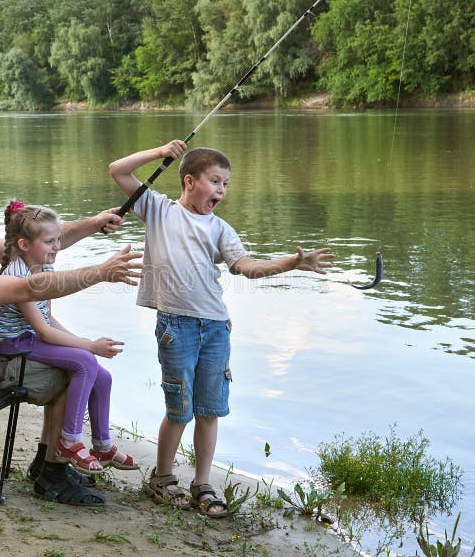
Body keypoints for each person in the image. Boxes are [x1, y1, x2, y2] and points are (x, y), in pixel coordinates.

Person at [109, 141, 335, 517]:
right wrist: (160, 151)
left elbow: (246, 267)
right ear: (189, 181)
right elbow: (118, 169)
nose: (222, 191)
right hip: (176, 326)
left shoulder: (220, 229)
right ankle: (162, 479)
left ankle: (203, 483)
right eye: (215, 181)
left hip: (215, 328)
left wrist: (291, 264)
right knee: (179, 409)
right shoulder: (158, 210)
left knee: (210, 409)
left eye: (226, 184)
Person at [0, 186, 142, 506]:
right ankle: (53, 473)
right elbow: (29, 286)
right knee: (70, 370)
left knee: (73, 362)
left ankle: (45, 462)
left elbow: (36, 243)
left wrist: (94, 223)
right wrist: (100, 272)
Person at [0, 201, 139, 476]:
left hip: (32, 337)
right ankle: (69, 440)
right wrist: (88, 347)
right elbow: (44, 332)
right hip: (15, 343)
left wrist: (82, 341)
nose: (57, 246)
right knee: (84, 361)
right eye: (50, 241)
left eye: (59, 239)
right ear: (24, 244)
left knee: (102, 376)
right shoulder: (18, 277)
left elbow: (48, 321)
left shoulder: (43, 269)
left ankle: (103, 445)